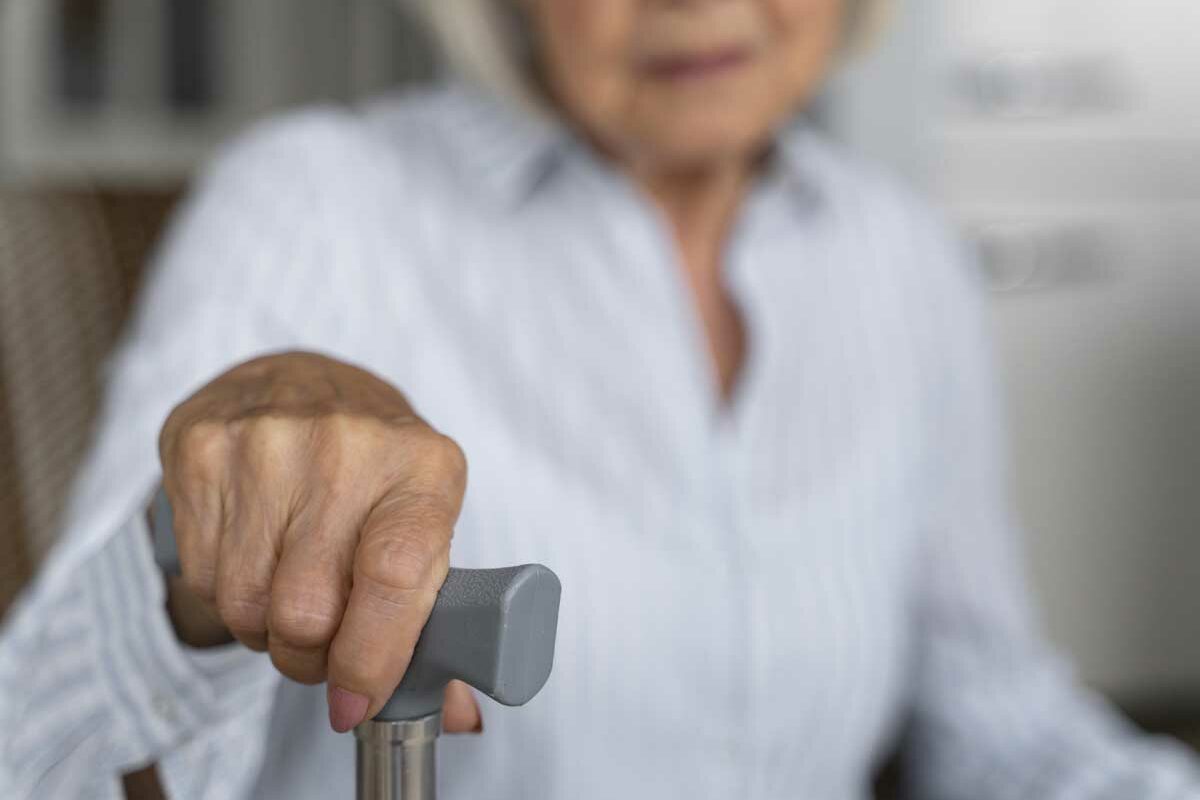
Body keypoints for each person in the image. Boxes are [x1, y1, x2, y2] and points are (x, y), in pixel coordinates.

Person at [2, 0, 1199, 797]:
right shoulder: (318, 199)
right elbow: (33, 732)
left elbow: (987, 705)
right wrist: (199, 539)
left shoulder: (900, 256)